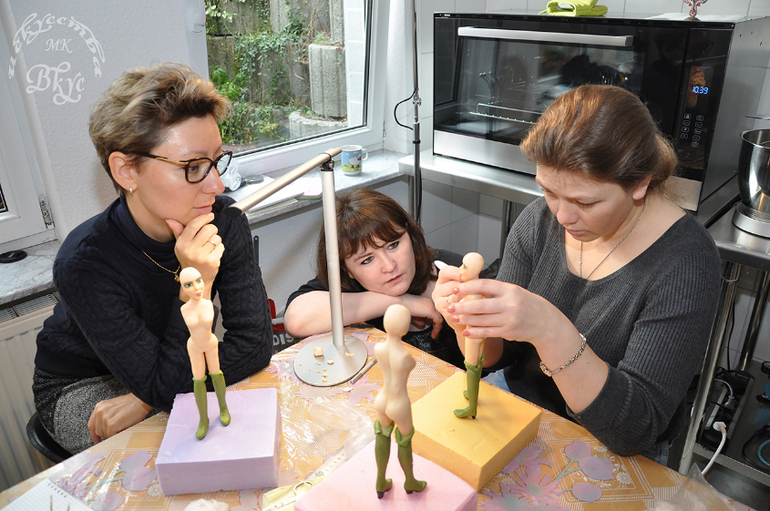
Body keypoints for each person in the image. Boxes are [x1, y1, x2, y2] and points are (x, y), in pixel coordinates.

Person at [432, 84, 721, 464]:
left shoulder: (686, 262)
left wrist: (551, 330)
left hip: (614, 442)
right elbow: (500, 358)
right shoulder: (538, 220)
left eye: (585, 202)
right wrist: (466, 321)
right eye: (549, 191)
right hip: (524, 407)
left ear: (639, 184)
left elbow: (634, 429)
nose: (563, 216)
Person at [33, 62, 273, 454]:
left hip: (168, 368)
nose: (217, 185)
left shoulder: (224, 220)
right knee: (173, 462)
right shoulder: (83, 263)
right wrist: (195, 280)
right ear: (127, 171)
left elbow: (255, 345)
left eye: (216, 160)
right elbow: (168, 384)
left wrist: (146, 397)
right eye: (193, 167)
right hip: (83, 382)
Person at [283, 188, 465, 369]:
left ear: (410, 235)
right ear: (347, 270)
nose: (389, 266)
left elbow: (483, 362)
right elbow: (296, 320)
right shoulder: (348, 283)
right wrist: (402, 302)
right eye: (367, 260)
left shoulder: (453, 272)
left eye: (393, 245)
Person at [372, 304, 427, 498]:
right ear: (405, 327)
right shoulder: (405, 357)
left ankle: (380, 481)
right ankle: (410, 481)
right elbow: (410, 365)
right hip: (398, 403)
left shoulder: (378, 348)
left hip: (382, 399)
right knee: (404, 440)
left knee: (382, 435)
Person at [179, 267, 230, 440]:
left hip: (210, 343)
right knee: (198, 380)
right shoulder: (184, 309)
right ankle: (203, 419)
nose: (196, 287)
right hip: (194, 346)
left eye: (198, 281)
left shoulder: (208, 304)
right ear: (183, 287)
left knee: (216, 374)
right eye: (188, 284)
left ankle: (223, 408)